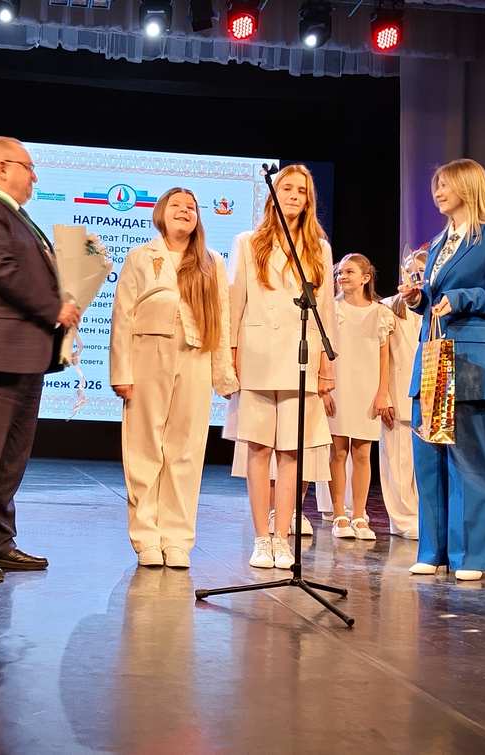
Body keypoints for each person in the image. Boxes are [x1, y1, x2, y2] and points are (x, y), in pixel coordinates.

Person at [0, 137, 80, 583]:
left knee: (10, 457)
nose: (35, 176)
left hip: (25, 354)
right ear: (2, 168)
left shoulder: (18, 217)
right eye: (29, 166)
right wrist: (54, 307)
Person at [399, 158, 485, 581]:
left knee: (470, 460)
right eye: (435, 185)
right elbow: (435, 300)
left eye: (445, 184)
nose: (437, 191)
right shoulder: (439, 242)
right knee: (429, 458)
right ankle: (433, 551)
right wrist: (419, 299)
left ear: (469, 186)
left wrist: (463, 297)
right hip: (435, 358)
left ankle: (470, 556)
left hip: (471, 361)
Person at [110, 187, 238, 569]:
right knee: (144, 447)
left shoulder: (211, 262)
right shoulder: (140, 256)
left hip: (196, 356)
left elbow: (222, 319)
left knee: (186, 449)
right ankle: (146, 537)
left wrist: (223, 374)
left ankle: (178, 538)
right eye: (176, 205)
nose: (185, 211)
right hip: (148, 355)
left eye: (191, 207)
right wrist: (121, 371)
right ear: (161, 214)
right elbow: (123, 316)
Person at [226, 164, 336, 571]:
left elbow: (326, 311)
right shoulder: (248, 242)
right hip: (257, 356)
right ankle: (261, 537)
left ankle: (282, 536)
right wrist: (230, 356)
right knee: (258, 447)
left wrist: (326, 368)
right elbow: (235, 302)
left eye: (301, 191)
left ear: (309, 200)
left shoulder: (319, 248)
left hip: (300, 357)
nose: (293, 195)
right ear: (273, 195)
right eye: (286, 188)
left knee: (292, 450)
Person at [328, 253, 395, 541]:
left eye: (349, 272)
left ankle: (359, 513)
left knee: (362, 452)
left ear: (366, 278)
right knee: (338, 451)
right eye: (339, 272)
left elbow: (384, 357)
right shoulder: (333, 309)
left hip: (367, 388)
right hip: (338, 385)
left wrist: (382, 393)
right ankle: (338, 513)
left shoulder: (380, 313)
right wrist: (325, 388)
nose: (342, 277)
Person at [379, 248, 428, 540]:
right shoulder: (389, 308)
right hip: (398, 391)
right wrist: (383, 393)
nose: (415, 277)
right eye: (411, 272)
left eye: (420, 273)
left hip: (429, 394)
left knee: (422, 463)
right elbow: (381, 357)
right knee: (398, 460)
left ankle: (423, 515)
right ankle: (403, 518)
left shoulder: (436, 307)